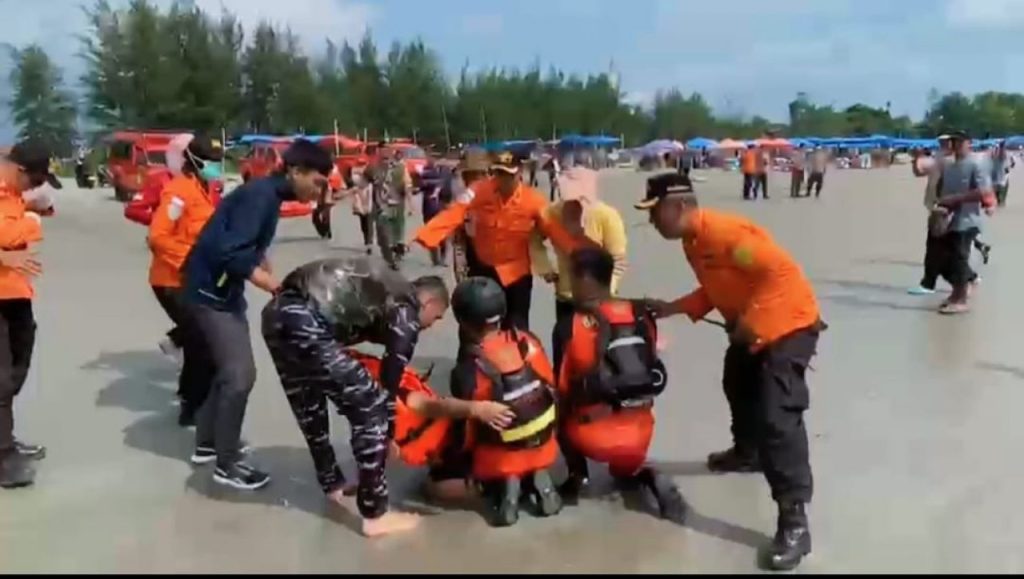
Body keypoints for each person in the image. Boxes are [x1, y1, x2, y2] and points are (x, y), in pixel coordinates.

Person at [638, 172, 823, 571]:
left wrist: (752, 322)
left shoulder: (726, 235)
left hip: (789, 324)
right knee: (736, 380)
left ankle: (795, 521)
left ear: (681, 206)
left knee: (777, 417)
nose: (653, 222)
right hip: (752, 324)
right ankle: (748, 453)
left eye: (656, 213)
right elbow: (717, 287)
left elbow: (778, 274)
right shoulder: (693, 243)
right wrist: (672, 308)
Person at [261, 257, 454, 537]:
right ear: (430, 304)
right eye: (436, 317)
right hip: (305, 318)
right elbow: (390, 381)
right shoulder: (407, 308)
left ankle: (333, 484)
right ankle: (375, 513)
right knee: (372, 406)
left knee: (308, 401)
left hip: (276, 314)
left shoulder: (388, 289)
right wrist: (387, 434)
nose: (432, 325)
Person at [182, 138, 332, 491]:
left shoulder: (268, 195)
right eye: (318, 181)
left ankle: (209, 443)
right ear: (295, 170)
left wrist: (262, 262)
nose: (319, 189)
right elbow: (231, 253)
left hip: (217, 289)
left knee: (226, 371)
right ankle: (228, 463)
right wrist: (274, 285)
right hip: (209, 293)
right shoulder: (260, 196)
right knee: (240, 375)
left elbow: (246, 243)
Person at [555, 247, 686, 522]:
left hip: (589, 436)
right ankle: (645, 472)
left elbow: (563, 389)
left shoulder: (570, 325)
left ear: (583, 280)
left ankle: (578, 476)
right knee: (624, 471)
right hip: (640, 432)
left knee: (557, 404)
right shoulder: (641, 314)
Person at [415, 151, 587, 353]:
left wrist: (579, 255)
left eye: (508, 174)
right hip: (484, 270)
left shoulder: (534, 201)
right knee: (475, 325)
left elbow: (554, 231)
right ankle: (472, 367)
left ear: (519, 173)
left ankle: (520, 371)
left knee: (517, 328)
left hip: (516, 276)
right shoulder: (479, 191)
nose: (503, 180)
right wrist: (425, 236)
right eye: (499, 174)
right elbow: (454, 213)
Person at [449, 277, 562, 527]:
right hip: (546, 445)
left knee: (442, 470)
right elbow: (552, 388)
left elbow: (465, 435)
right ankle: (537, 472)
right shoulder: (527, 342)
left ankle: (507, 484)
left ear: (462, 321)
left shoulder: (467, 369)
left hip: (498, 456)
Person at [147, 134, 223, 427]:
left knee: (198, 340)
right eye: (211, 162)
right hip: (172, 280)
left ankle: (190, 398)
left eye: (219, 161)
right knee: (202, 340)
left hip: (194, 280)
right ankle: (192, 404)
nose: (216, 167)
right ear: (193, 161)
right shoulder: (178, 191)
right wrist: (189, 259)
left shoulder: (205, 189)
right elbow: (157, 236)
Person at [0, 139, 61, 489]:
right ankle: (3, 455)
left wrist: (33, 211)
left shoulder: (14, 194)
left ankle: (4, 435)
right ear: (20, 170)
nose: (38, 186)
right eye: (36, 180)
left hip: (16, 293)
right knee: (2, 377)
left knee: (19, 364)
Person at [532, 167, 627, 373]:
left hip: (602, 301)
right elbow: (534, 241)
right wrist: (545, 268)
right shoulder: (551, 214)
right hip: (566, 296)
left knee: (600, 355)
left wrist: (606, 293)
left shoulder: (606, 216)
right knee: (565, 354)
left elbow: (618, 260)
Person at [928, 131, 995, 315]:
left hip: (968, 220)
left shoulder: (976, 163)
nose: (955, 144)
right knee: (943, 259)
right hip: (948, 219)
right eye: (953, 141)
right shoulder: (949, 165)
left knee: (959, 259)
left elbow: (983, 191)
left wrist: (956, 199)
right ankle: (955, 294)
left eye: (959, 141)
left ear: (969, 143)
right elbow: (942, 189)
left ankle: (962, 299)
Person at [908, 136, 953, 296]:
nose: (943, 144)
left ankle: (966, 278)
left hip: (946, 209)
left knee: (938, 248)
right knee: (938, 247)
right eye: (941, 142)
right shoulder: (937, 159)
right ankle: (930, 282)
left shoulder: (952, 162)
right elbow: (919, 172)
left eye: (947, 142)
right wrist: (916, 158)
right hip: (935, 208)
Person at [449, 151, 489, 284]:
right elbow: (459, 244)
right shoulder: (462, 202)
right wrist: (461, 275)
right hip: (474, 266)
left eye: (479, 175)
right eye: (470, 176)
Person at [374, 151, 414, 269]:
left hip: (386, 204)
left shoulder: (381, 169)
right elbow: (407, 187)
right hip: (394, 204)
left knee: (390, 230)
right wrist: (411, 205)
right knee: (397, 229)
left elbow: (376, 187)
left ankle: (392, 253)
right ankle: (396, 253)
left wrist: (378, 203)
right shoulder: (401, 169)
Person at [992, 141, 1015, 207]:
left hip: (1003, 179)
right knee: (998, 200)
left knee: (1000, 201)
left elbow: (1013, 163)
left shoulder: (1008, 154)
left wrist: (1008, 167)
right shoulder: (994, 154)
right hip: (997, 180)